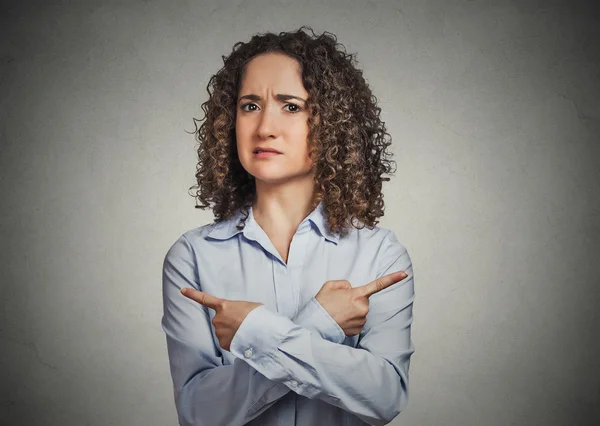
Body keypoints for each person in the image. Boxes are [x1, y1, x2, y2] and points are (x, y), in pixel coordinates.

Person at [161, 27, 415, 426]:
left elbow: (384, 397)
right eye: (249, 106)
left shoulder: (379, 254)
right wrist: (320, 323)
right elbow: (198, 413)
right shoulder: (192, 257)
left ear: (331, 122)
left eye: (291, 106)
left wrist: (257, 333)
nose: (264, 128)